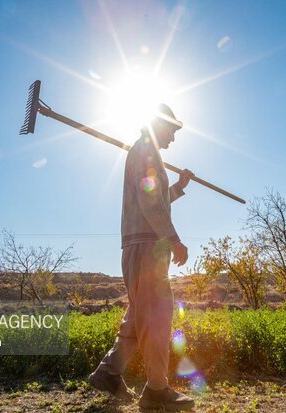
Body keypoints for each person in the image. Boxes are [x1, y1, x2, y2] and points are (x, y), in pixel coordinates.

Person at [88, 103, 195, 411]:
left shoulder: (146, 153)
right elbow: (151, 206)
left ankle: (109, 373)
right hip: (148, 246)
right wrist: (175, 241)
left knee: (140, 316)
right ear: (157, 125)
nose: (173, 138)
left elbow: (154, 198)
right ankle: (157, 390)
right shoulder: (146, 151)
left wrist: (178, 187)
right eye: (172, 130)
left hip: (139, 245)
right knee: (159, 314)